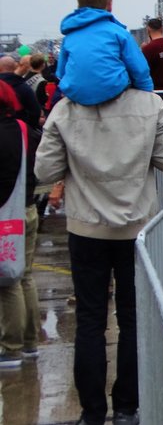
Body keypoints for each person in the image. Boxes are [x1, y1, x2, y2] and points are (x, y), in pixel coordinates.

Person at [35, 73, 163, 425]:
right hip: (136, 231)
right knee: (132, 320)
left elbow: (44, 169)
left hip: (86, 229)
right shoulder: (150, 104)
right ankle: (127, 409)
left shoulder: (66, 109)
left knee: (90, 321)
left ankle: (92, 413)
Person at [58, 0, 154, 105]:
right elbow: (140, 71)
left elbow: (61, 73)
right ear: (109, 4)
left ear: (79, 3)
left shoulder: (69, 37)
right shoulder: (119, 33)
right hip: (115, 96)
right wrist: (148, 96)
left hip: (77, 99)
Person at [0, 79, 41, 368]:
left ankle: (10, 348)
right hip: (26, 210)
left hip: (3, 216)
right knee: (24, 277)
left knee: (6, 284)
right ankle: (30, 343)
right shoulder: (26, 130)